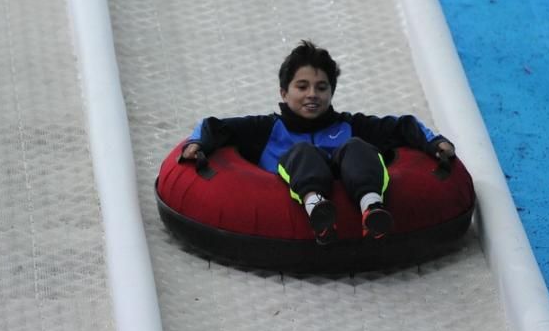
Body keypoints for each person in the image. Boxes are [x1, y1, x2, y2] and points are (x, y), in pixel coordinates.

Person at [181, 40, 456, 244]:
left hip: (354, 189)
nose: (312, 94)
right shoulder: (266, 129)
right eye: (302, 87)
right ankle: (318, 211)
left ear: (331, 93)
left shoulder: (350, 126)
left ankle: (372, 208)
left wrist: (435, 143)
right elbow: (213, 125)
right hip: (290, 201)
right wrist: (198, 144)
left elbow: (405, 126)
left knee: (357, 147)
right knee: (301, 151)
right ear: (284, 91)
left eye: (321, 88)